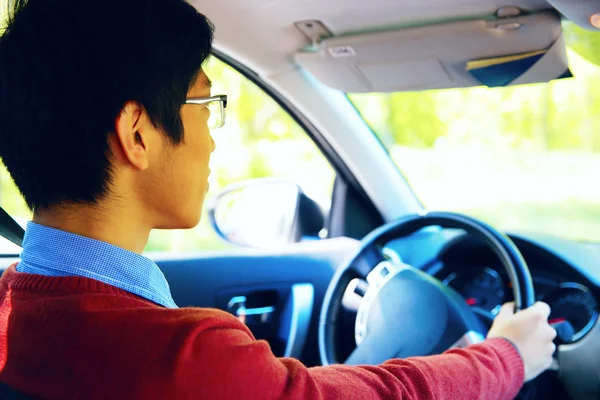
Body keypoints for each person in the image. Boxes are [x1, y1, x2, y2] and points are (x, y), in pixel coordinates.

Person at [0, 0, 556, 399]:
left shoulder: (14, 309)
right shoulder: (180, 358)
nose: (213, 135)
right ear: (138, 134)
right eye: (204, 104)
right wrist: (505, 355)